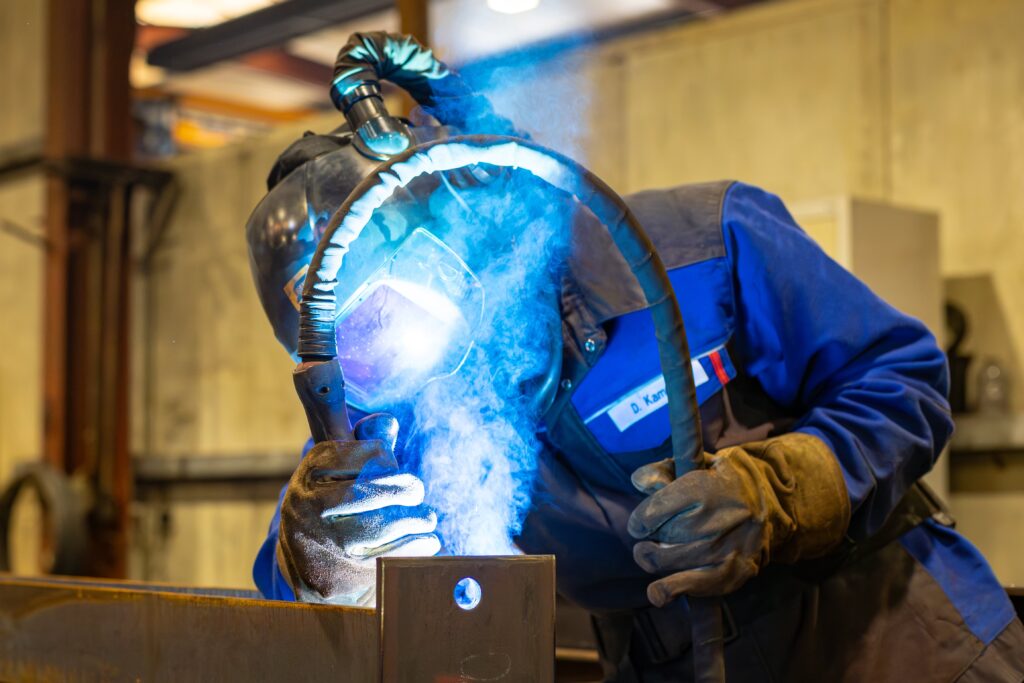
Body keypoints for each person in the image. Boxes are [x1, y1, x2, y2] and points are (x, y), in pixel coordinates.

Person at [246, 35, 1023, 682]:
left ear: (465, 237)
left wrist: (778, 492)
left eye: (397, 313)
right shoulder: (413, 405)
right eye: (358, 350)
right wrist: (318, 552)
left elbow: (905, 377)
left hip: (893, 639)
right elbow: (291, 578)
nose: (400, 364)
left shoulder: (698, 247)